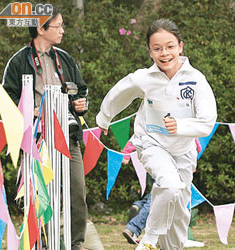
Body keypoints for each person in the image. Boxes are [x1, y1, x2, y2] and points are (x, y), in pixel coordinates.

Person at [96, 18, 217, 250]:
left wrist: (180, 127)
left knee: (180, 211)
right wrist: (104, 118)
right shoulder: (145, 78)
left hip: (183, 151)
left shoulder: (196, 80)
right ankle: (149, 240)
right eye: (157, 48)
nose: (165, 53)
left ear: (180, 46)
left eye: (170, 46)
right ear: (150, 51)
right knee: (169, 185)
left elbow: (206, 122)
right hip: (151, 143)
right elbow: (119, 93)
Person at [2, 6, 89, 250]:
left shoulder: (65, 58)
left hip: (67, 135)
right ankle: (42, 242)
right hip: (35, 138)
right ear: (40, 29)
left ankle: (76, 244)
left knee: (77, 193)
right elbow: (6, 101)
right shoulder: (18, 61)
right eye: (58, 26)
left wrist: (81, 104)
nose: (62, 30)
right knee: (39, 195)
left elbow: (80, 91)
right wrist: (30, 112)